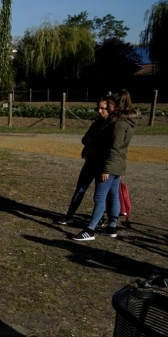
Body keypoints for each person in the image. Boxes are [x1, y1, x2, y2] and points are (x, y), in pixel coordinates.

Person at [73, 90, 136, 241]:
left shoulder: (118, 125)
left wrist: (107, 169)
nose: (105, 109)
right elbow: (122, 149)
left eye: (108, 106)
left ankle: (90, 229)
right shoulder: (127, 122)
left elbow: (114, 148)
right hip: (117, 164)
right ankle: (112, 226)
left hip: (109, 164)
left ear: (116, 106)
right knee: (113, 195)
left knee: (99, 197)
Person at [56, 96, 116, 225]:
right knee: (80, 189)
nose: (99, 111)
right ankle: (69, 216)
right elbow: (85, 138)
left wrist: (93, 145)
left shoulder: (114, 126)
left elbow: (110, 146)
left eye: (103, 108)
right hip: (90, 162)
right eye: (97, 108)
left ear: (110, 108)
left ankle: (102, 220)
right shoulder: (97, 123)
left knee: (100, 195)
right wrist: (91, 145)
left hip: (103, 165)